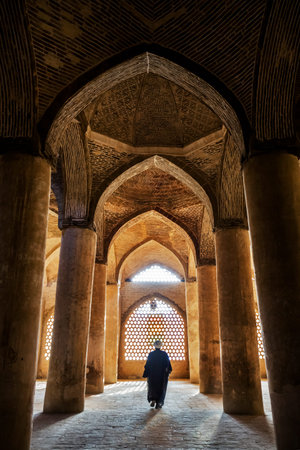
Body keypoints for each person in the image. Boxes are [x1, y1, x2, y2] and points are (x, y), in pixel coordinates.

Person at [142, 340, 172, 409]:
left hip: (152, 375)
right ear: (161, 346)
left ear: (154, 346)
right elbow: (168, 365)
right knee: (161, 388)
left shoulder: (151, 354)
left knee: (152, 387)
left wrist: (146, 373)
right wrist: (168, 372)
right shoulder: (164, 354)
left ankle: (152, 399)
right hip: (162, 376)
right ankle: (159, 402)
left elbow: (147, 365)